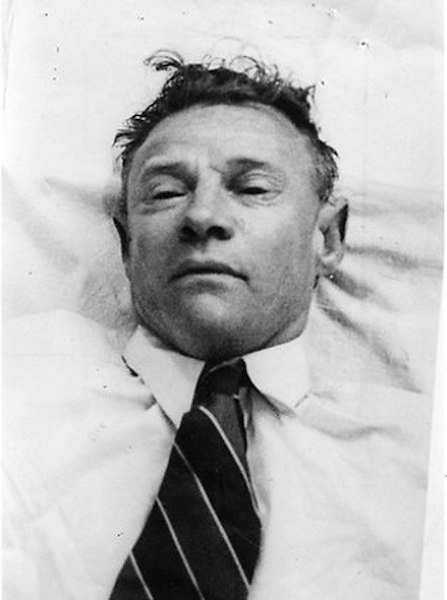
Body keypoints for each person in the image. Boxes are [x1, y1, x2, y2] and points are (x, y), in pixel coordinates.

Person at [4, 52, 431, 600]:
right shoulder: (18, 386)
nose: (202, 215)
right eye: (166, 192)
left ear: (326, 239)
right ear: (127, 244)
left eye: (252, 188)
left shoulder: (415, 465)